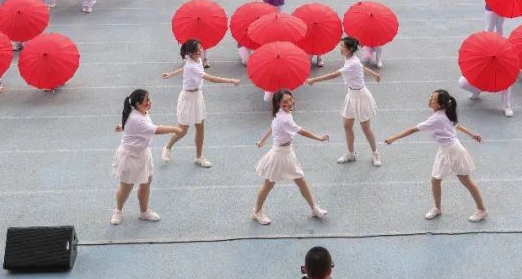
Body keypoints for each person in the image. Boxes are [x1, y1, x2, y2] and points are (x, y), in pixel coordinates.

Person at [384, 89, 488, 222]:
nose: (430, 100)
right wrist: (472, 135)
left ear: (440, 105)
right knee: (436, 180)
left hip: (454, 151)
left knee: (465, 181)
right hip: (445, 150)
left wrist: (393, 138)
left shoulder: (436, 118)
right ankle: (437, 208)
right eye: (430, 97)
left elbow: (413, 129)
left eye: (433, 99)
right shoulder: (445, 113)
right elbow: (457, 126)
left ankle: (481, 210)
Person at [251, 89, 330, 225]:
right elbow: (302, 132)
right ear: (278, 104)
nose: (288, 103)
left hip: (287, 152)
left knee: (301, 181)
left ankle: (314, 208)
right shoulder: (284, 118)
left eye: (289, 100)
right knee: (268, 185)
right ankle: (256, 212)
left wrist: (262, 141)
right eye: (284, 102)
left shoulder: (281, 113)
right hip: (279, 155)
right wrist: (319, 138)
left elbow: (272, 127)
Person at [160, 39, 240, 168]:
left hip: (197, 97)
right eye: (197, 51)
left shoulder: (195, 60)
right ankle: (167, 147)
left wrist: (170, 74)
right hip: (187, 98)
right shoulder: (191, 65)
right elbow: (210, 78)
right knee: (183, 130)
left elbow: (183, 68)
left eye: (200, 49)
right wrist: (230, 80)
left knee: (200, 129)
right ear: (190, 53)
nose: (200, 52)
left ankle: (199, 157)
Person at [306, 36, 383, 167]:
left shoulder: (352, 63)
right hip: (351, 95)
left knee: (366, 129)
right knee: (347, 126)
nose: (340, 48)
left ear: (350, 49)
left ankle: (375, 153)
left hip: (361, 96)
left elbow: (333, 75)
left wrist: (314, 80)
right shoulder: (352, 60)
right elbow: (363, 68)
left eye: (342, 47)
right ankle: (351, 153)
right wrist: (375, 75)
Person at [110, 89, 183, 224]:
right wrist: (175, 129)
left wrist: (123, 127)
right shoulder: (136, 118)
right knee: (126, 187)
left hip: (143, 154)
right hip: (130, 156)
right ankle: (118, 211)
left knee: (145, 184)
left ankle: (144, 212)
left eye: (149, 99)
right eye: (146, 101)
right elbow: (157, 130)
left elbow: (133, 126)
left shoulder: (140, 112)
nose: (149, 103)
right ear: (137, 104)